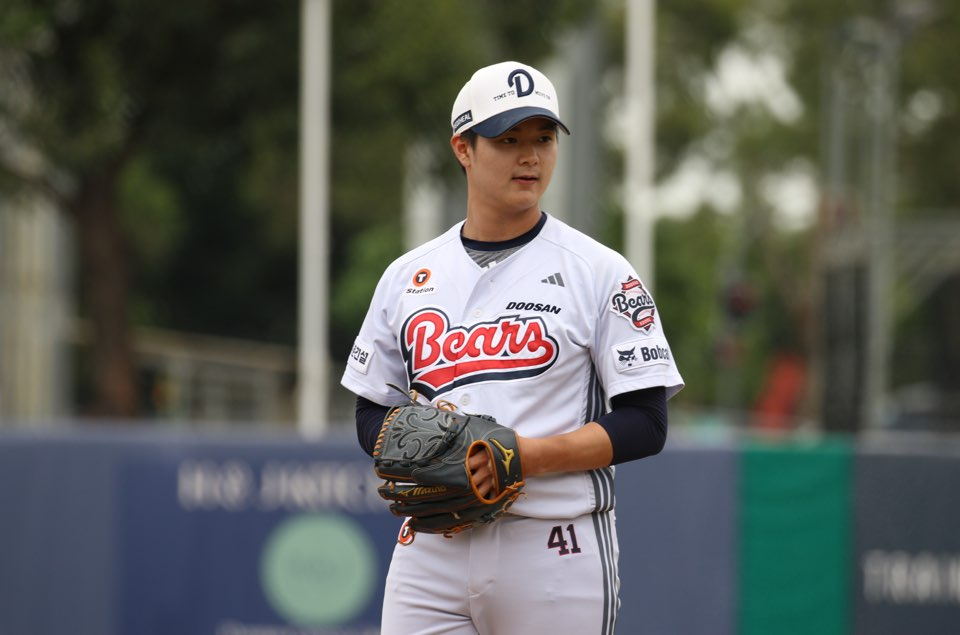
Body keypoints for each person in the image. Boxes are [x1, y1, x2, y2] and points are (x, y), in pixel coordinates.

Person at [341, 60, 684, 635]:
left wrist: (522, 456)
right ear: (463, 148)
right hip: (432, 543)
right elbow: (368, 409)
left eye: (543, 138)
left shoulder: (599, 272)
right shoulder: (408, 275)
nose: (530, 156)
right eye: (509, 139)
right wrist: (426, 449)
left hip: (553, 546)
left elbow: (646, 422)